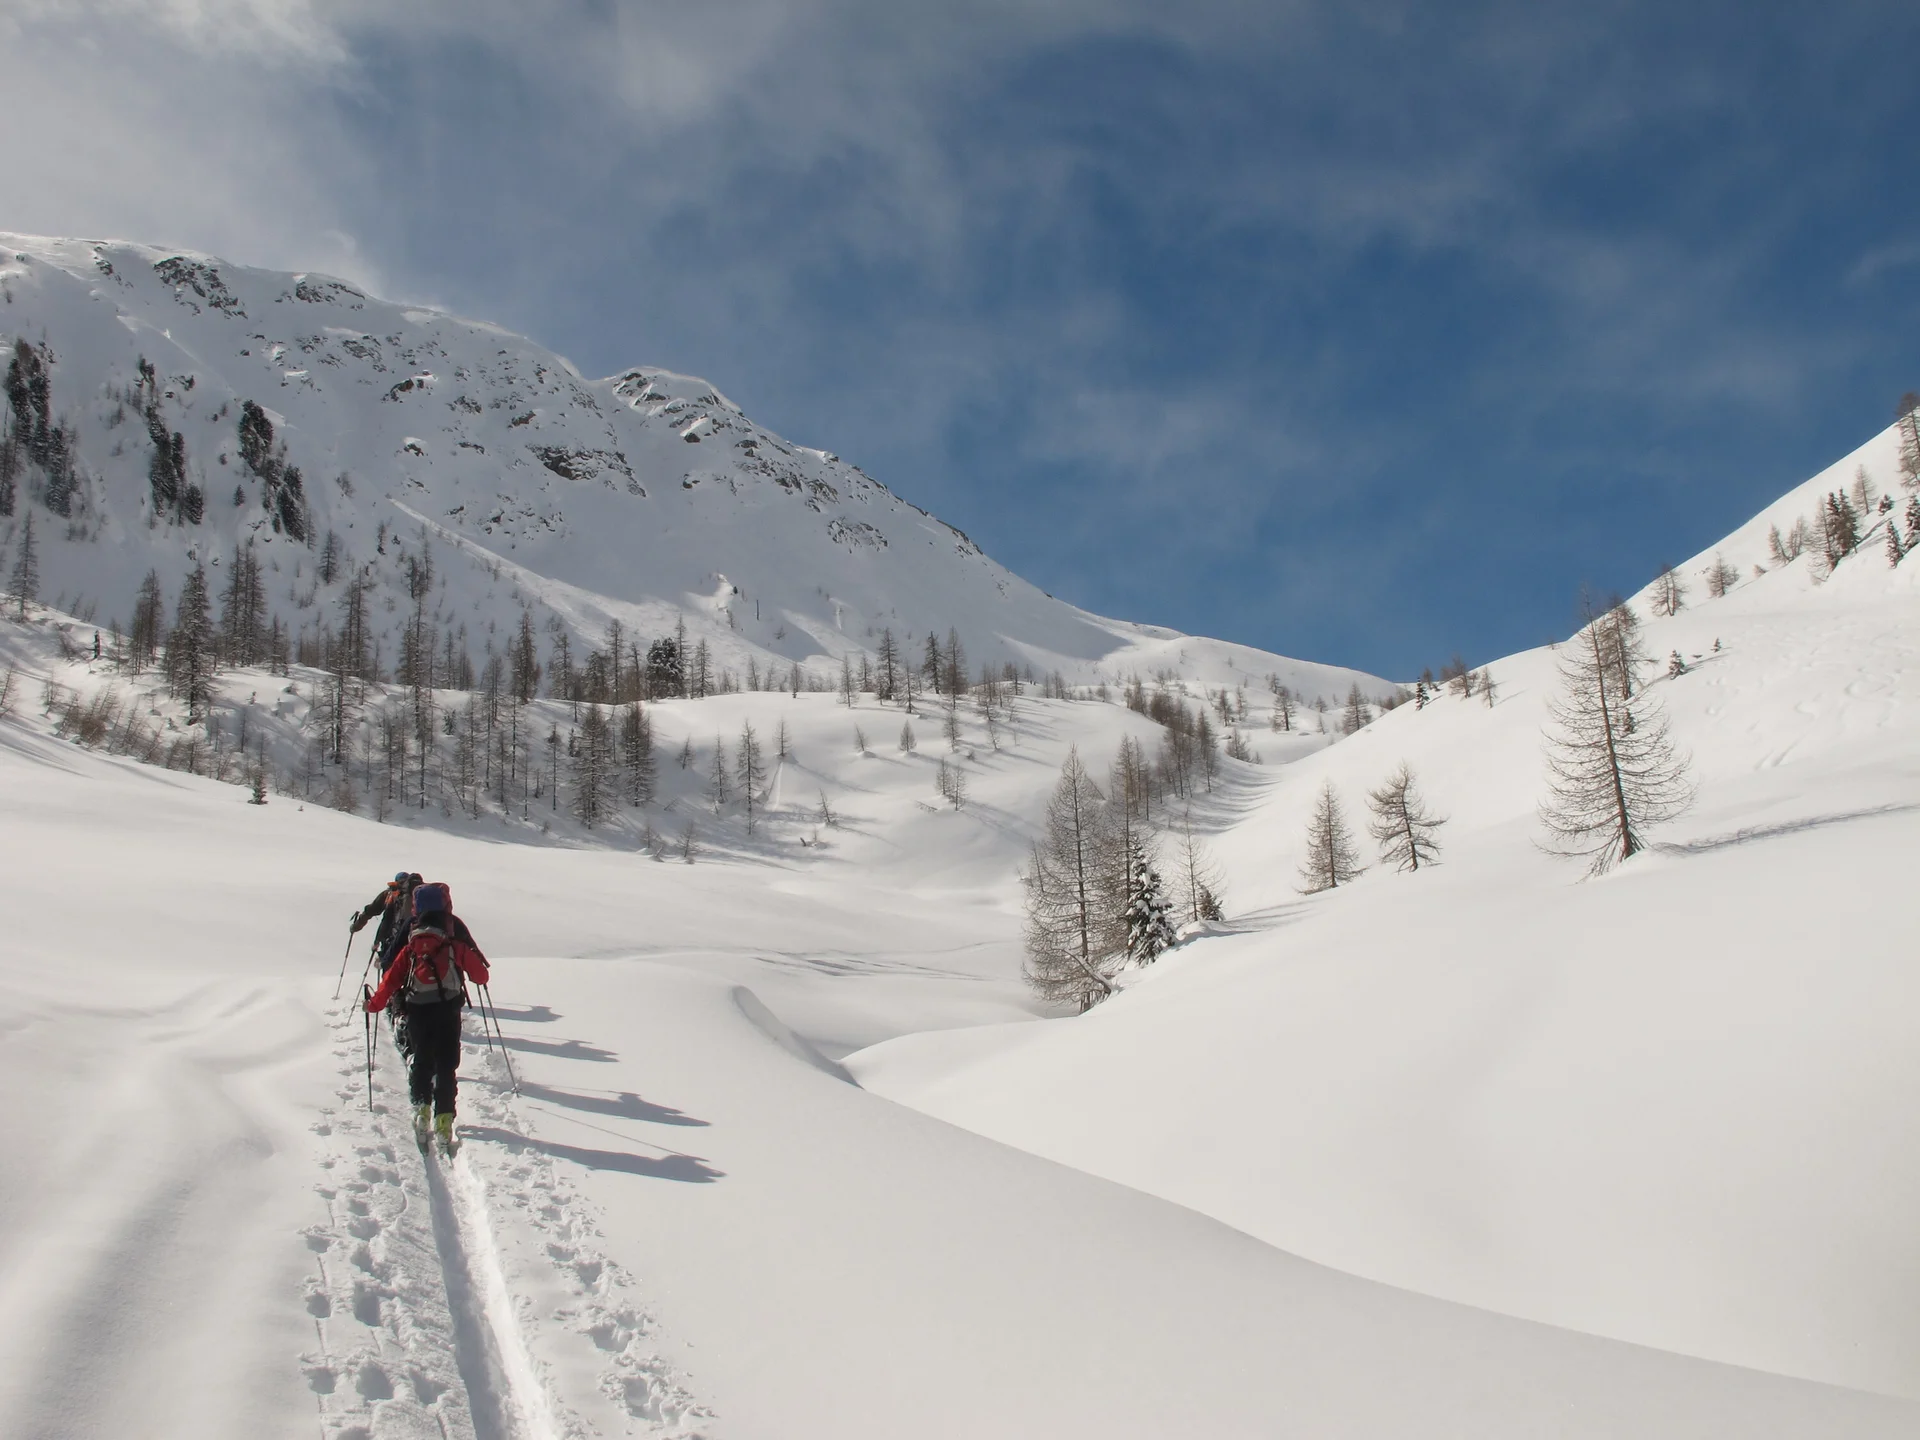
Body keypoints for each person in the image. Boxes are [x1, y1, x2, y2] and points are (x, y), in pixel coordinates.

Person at [364, 881, 489, 1150]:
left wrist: (373, 1005)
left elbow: (390, 980)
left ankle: (421, 1109)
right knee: (446, 1064)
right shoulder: (453, 938)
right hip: (448, 1008)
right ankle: (444, 1118)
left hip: (417, 1007)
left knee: (422, 1059)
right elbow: (481, 975)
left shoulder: (412, 942)